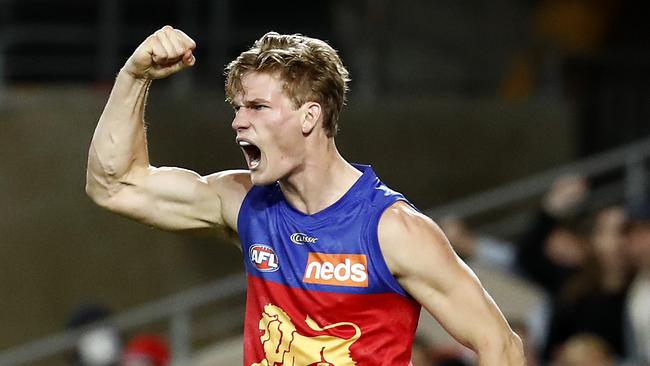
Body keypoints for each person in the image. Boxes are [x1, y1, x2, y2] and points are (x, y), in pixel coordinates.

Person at [86, 25, 525, 365]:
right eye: (237, 108)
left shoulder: (394, 230)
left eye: (257, 107)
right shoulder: (245, 204)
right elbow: (114, 186)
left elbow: (501, 346)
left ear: (309, 117)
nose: (238, 122)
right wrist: (134, 76)